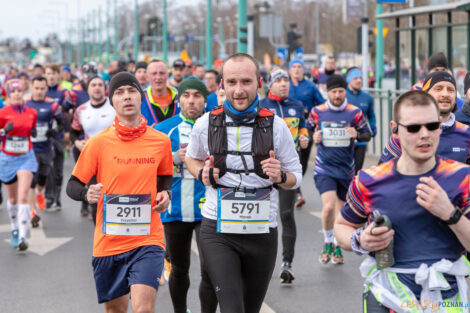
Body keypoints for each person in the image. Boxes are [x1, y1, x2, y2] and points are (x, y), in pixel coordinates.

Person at [185, 53, 302, 313]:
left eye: (246, 82)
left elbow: (296, 177)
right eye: (232, 82)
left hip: (262, 232)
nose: (239, 91)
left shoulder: (277, 126)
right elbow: (191, 158)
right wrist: (201, 172)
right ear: (222, 86)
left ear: (259, 83)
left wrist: (280, 175)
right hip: (218, 230)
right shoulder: (206, 124)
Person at [334, 90, 470, 312]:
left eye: (432, 126)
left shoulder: (463, 177)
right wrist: (361, 240)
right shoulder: (369, 180)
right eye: (414, 128)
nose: (424, 134)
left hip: (446, 296)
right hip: (387, 295)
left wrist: (450, 213)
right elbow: (341, 227)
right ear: (395, 129)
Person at [66, 72, 173, 312]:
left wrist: (166, 193)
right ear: (111, 101)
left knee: (143, 308)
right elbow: (72, 184)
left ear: (141, 97)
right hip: (109, 242)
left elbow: (165, 176)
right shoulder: (98, 143)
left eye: (132, 91)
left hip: (148, 238)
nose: (126, 97)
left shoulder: (160, 141)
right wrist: (86, 194)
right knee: (116, 310)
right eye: (119, 93)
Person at [155, 78, 218, 313]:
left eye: (197, 96)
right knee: (179, 269)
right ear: (178, 99)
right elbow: (149, 165)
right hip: (176, 209)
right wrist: (172, 158)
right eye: (186, 95)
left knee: (210, 270)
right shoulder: (163, 129)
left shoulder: (217, 126)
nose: (191, 101)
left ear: (205, 99)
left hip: (208, 209)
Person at [308, 74, 371, 265]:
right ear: (327, 92)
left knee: (340, 210)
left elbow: (367, 134)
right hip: (324, 167)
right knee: (327, 207)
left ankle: (336, 244)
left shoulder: (355, 112)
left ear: (345, 92)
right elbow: (307, 129)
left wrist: (357, 133)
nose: (337, 95)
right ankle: (328, 241)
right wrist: (314, 137)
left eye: (340, 91)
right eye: (334, 91)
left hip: (346, 169)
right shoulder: (317, 111)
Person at [260, 68, 309, 284]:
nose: (283, 84)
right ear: (270, 84)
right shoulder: (261, 106)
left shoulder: (296, 106)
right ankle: (259, 263)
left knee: (286, 214)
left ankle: (287, 264)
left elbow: (304, 127)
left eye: (286, 80)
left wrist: (305, 137)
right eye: (279, 80)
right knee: (262, 216)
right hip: (264, 168)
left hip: (287, 168)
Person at [380, 71, 470, 165]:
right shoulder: (407, 131)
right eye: (438, 89)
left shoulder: (467, 132)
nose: (445, 94)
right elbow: (381, 173)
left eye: (450, 90)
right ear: (425, 94)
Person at [70, 75, 116, 221]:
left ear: (105, 89)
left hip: (114, 158)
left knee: (115, 196)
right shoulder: (81, 110)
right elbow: (74, 132)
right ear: (88, 89)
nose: (97, 88)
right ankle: (100, 233)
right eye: (93, 85)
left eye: (100, 85)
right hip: (92, 160)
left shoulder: (114, 107)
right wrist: (77, 143)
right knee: (97, 200)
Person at [0, 79, 38, 251]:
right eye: (12, 91)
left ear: (23, 93)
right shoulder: (3, 113)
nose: (16, 94)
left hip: (26, 157)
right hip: (7, 159)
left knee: (23, 197)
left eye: (19, 91)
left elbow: (33, 129)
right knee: (13, 199)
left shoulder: (32, 112)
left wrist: (35, 132)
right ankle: (15, 227)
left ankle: (23, 235)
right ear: (8, 94)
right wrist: (3, 131)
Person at [26, 76, 63, 224]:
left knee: (43, 177)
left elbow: (61, 124)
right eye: (36, 88)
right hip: (30, 150)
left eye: (42, 88)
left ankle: (40, 193)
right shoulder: (26, 104)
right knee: (32, 179)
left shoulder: (53, 105)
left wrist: (54, 132)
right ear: (31, 87)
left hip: (47, 148)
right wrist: (28, 131)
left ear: (46, 89)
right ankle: (32, 211)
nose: (39, 91)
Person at [288, 58, 325, 208]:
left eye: (299, 67)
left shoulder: (310, 86)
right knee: (291, 157)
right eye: (294, 67)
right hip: (288, 127)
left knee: (302, 160)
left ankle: (295, 184)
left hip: (307, 126)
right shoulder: (285, 86)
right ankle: (296, 191)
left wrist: (317, 121)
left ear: (304, 70)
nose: (296, 69)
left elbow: (321, 105)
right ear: (290, 70)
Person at [345, 67, 377, 173]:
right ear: (349, 80)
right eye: (355, 78)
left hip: (361, 141)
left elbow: (371, 114)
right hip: (345, 141)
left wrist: (373, 126)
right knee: (345, 172)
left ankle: (352, 189)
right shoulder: (343, 95)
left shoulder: (367, 97)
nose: (359, 80)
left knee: (356, 172)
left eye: (360, 78)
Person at [141, 59, 179, 127]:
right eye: (154, 73)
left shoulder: (179, 98)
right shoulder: (139, 100)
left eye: (161, 73)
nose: (158, 77)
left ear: (168, 75)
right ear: (147, 77)